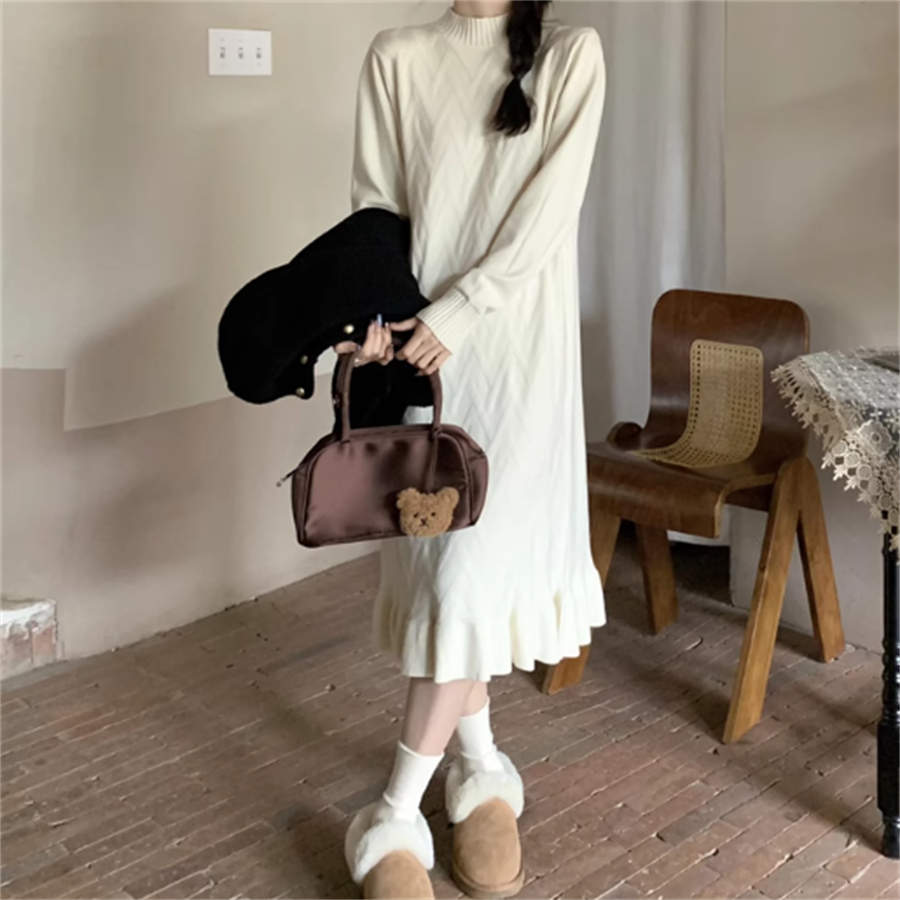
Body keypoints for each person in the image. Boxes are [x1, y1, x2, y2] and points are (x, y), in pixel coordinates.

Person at [335, 1, 607, 897]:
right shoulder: (397, 56)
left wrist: (459, 310)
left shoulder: (571, 56)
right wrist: (378, 322)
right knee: (449, 580)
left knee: (467, 577)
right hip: (426, 366)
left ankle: (394, 813)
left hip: (518, 366)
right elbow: (377, 211)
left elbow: (546, 216)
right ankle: (482, 768)